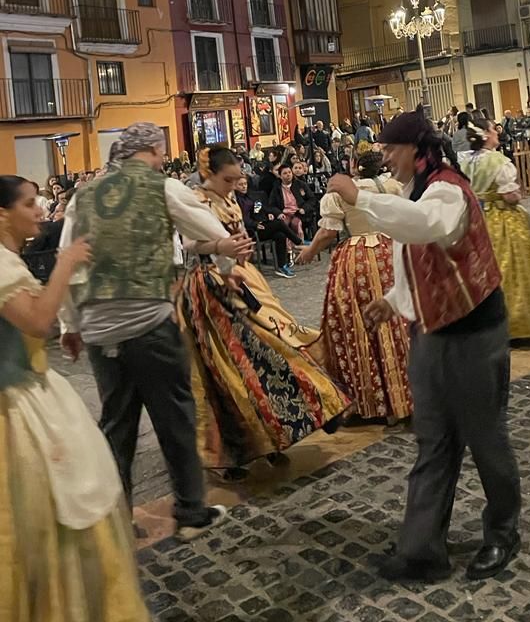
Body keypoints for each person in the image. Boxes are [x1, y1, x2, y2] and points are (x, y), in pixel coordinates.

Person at [327, 107, 521, 583]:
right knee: (433, 440)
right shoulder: (420, 189)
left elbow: (427, 225)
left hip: (475, 333)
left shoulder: (448, 189)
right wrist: (394, 302)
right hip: (432, 333)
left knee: (485, 438)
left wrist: (360, 199)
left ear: (415, 151)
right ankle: (421, 550)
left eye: (391, 148)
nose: (385, 157)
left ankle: (502, 532)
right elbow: (419, 258)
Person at [59, 122, 250, 540]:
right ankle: (189, 512)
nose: (164, 159)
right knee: (175, 415)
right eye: (161, 153)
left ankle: (117, 521)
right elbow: (213, 231)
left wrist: (70, 324)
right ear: (151, 151)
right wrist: (226, 267)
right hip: (148, 321)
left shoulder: (83, 195)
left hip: (98, 328)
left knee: (116, 424)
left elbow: (67, 260)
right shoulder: (161, 187)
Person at [0, 175, 151, 619]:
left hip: (29, 387)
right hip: (14, 402)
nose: (39, 210)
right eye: (29, 204)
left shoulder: (10, 258)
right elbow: (36, 321)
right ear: (3, 213)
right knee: (41, 517)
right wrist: (65, 264)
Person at [177, 145, 350, 471]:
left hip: (244, 278)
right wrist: (220, 246)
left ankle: (303, 414)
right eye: (228, 180)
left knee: (277, 341)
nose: (234, 186)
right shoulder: (194, 200)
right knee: (231, 368)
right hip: (211, 286)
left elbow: (239, 231)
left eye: (236, 179)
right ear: (208, 174)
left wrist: (241, 245)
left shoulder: (227, 198)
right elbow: (187, 244)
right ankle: (241, 449)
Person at [296, 150, 412, 422]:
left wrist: (310, 251)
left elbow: (328, 232)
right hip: (389, 253)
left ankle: (368, 401)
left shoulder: (341, 194)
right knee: (397, 321)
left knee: (355, 324)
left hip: (356, 260)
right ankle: (405, 394)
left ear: (355, 168)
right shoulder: (394, 186)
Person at [459, 119, 530, 340]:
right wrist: (517, 194)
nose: (497, 133)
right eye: (494, 130)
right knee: (514, 267)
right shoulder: (499, 162)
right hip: (502, 218)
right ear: (486, 135)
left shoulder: (464, 162)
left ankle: (485, 323)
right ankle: (518, 323)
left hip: (476, 221)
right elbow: (509, 195)